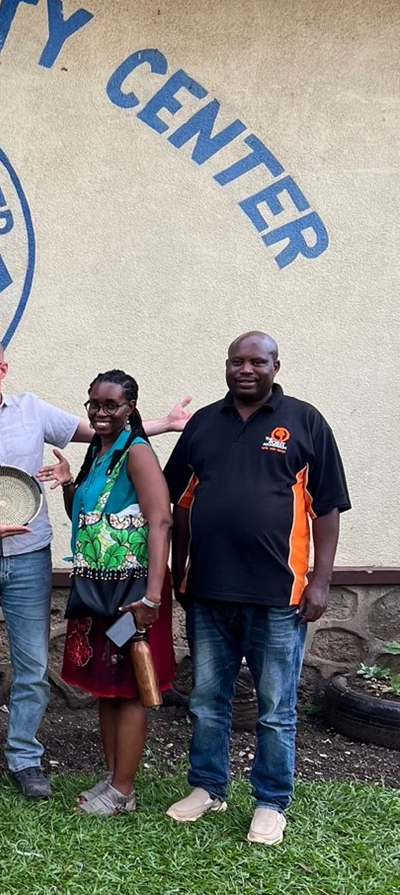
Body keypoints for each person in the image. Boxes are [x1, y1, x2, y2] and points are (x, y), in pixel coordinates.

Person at [0, 334, 190, 799]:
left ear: (2, 370)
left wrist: (165, 424)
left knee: (32, 665)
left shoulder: (34, 411)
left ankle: (25, 757)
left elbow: (102, 429)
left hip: (31, 557)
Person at [163, 331, 350, 846]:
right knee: (206, 699)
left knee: (275, 706)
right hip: (208, 591)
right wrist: (180, 569)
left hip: (279, 594)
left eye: (256, 361)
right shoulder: (204, 424)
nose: (245, 369)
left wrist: (320, 579)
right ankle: (207, 787)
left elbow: (327, 507)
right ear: (226, 367)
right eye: (236, 361)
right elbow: (175, 500)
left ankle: (270, 801)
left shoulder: (304, 421)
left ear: (275, 365)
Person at [48, 370, 175, 815]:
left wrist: (153, 599)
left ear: (130, 409)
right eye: (94, 406)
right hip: (97, 590)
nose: (101, 414)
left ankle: (123, 791)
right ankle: (112, 776)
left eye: (111, 406)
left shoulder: (136, 452)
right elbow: (83, 515)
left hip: (131, 593)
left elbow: (161, 522)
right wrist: (68, 483)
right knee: (106, 686)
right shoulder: (99, 454)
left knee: (130, 687)